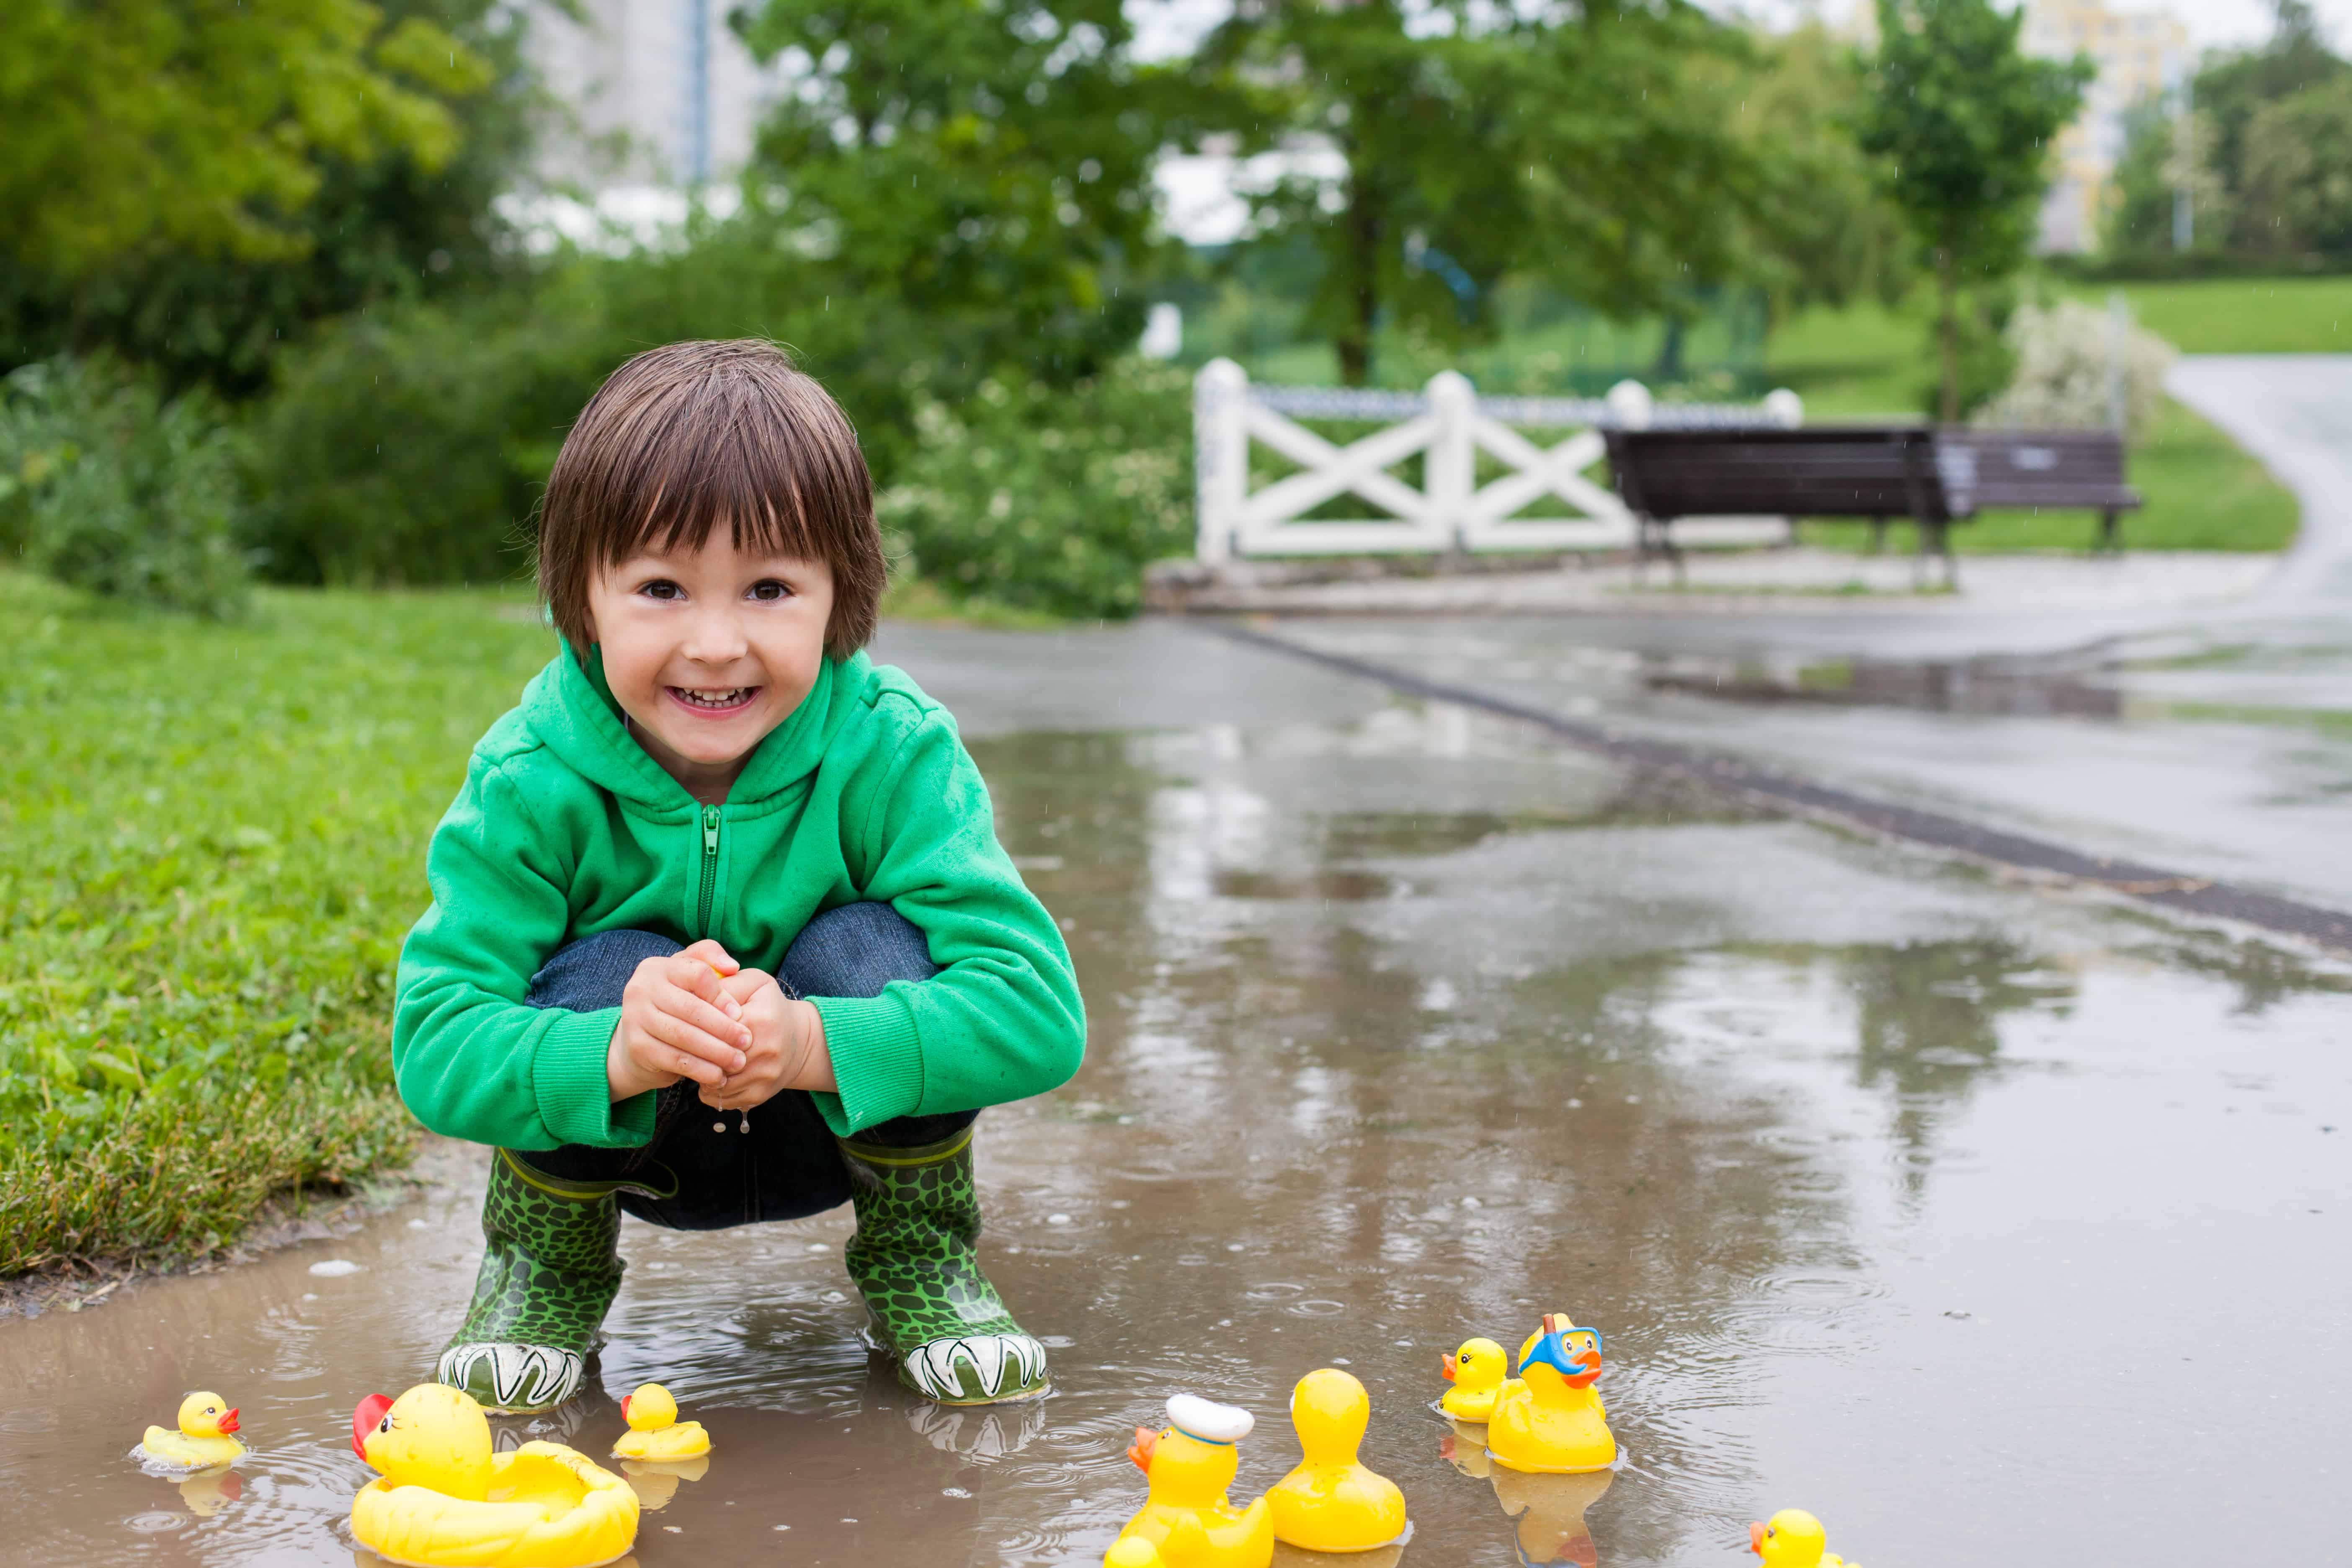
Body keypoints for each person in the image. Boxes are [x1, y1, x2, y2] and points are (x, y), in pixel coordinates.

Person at [392, 339, 1083, 1414]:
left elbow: (1039, 1014)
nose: (715, 644)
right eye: (661, 587)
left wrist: (812, 1041)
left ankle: (922, 1262)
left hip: (831, 1127)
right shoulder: (529, 779)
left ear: (838, 596)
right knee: (611, 967)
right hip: (635, 1137)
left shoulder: (893, 753)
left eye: (768, 588)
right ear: (581, 596)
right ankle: (542, 1274)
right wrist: (613, 1048)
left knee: (867, 948)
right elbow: (434, 1042)